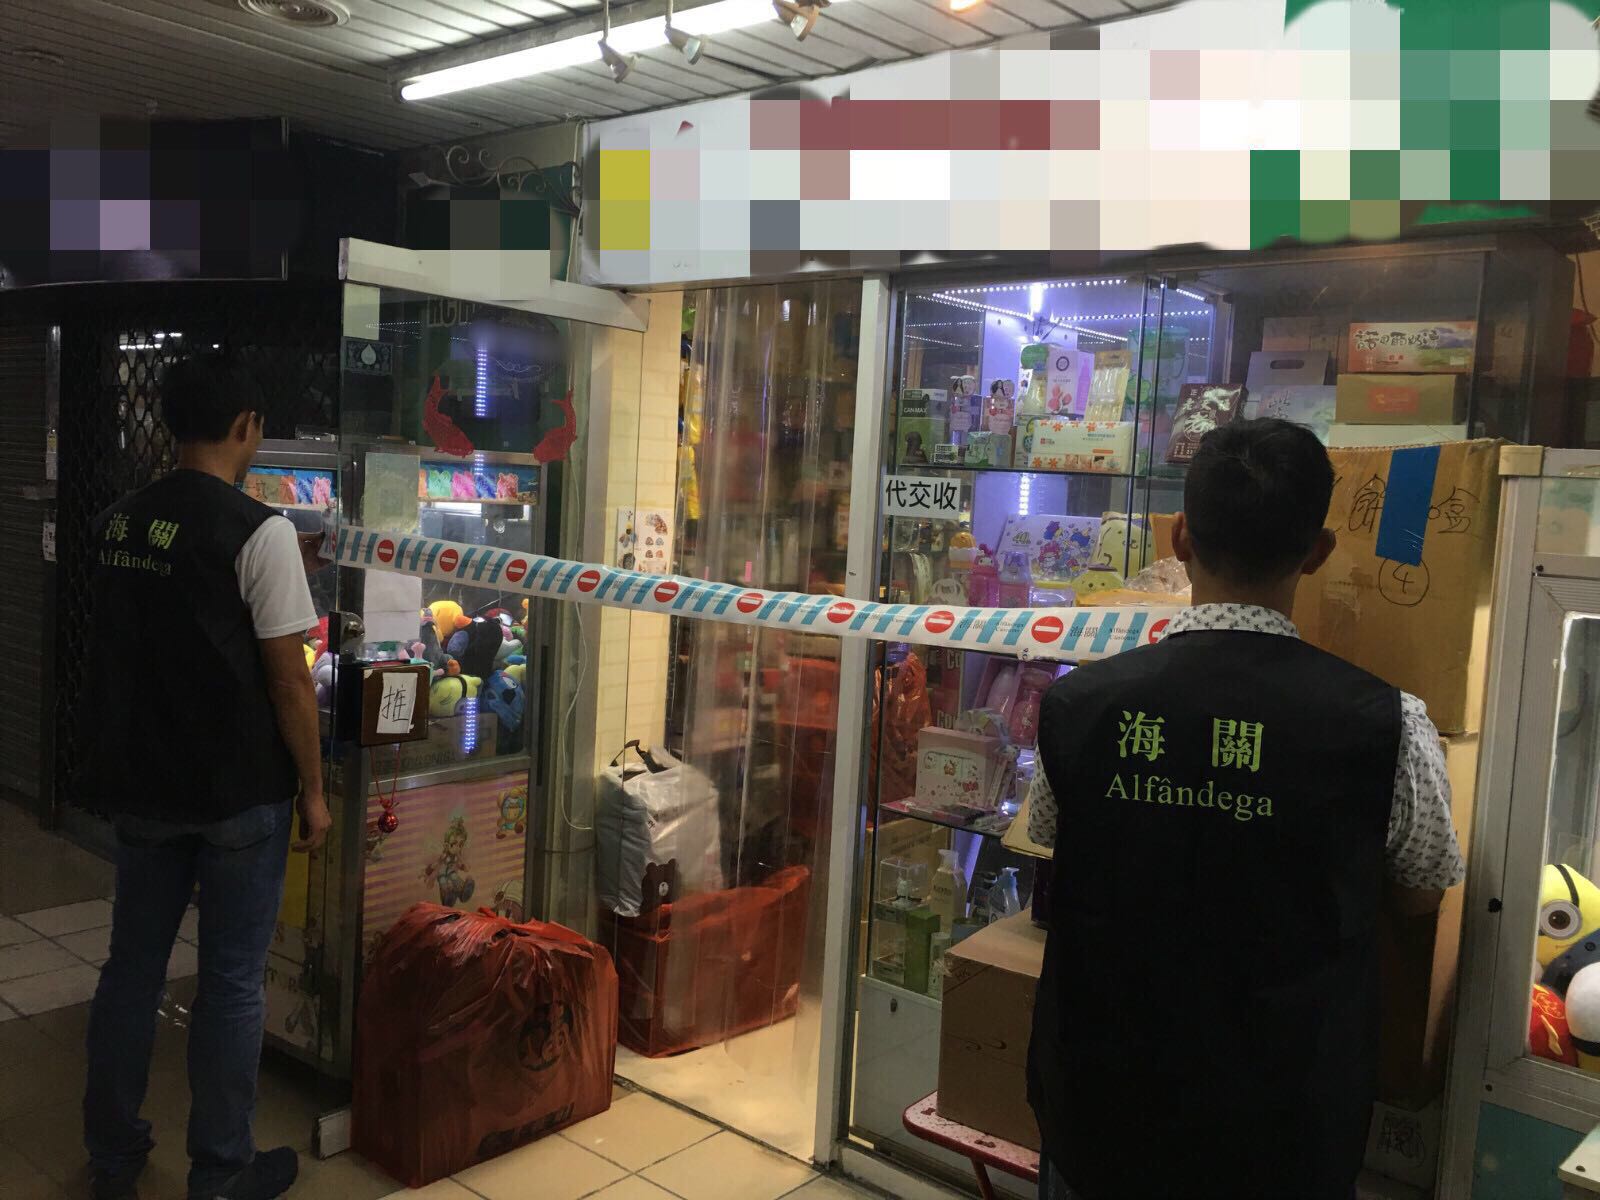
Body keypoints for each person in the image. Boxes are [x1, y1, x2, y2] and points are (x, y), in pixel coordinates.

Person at [1024, 419, 1464, 1200]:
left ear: (1179, 537)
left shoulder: (1079, 704)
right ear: (1318, 551)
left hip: (1100, 1109)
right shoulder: (1390, 724)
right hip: (1285, 1126)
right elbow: (1422, 893)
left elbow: (1054, 842)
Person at [75, 353, 333, 1200]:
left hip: (143, 784)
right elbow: (290, 681)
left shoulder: (118, 523)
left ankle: (113, 1155)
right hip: (237, 792)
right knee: (229, 983)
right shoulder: (259, 532)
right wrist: (315, 793)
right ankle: (221, 1170)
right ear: (246, 427)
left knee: (131, 970)